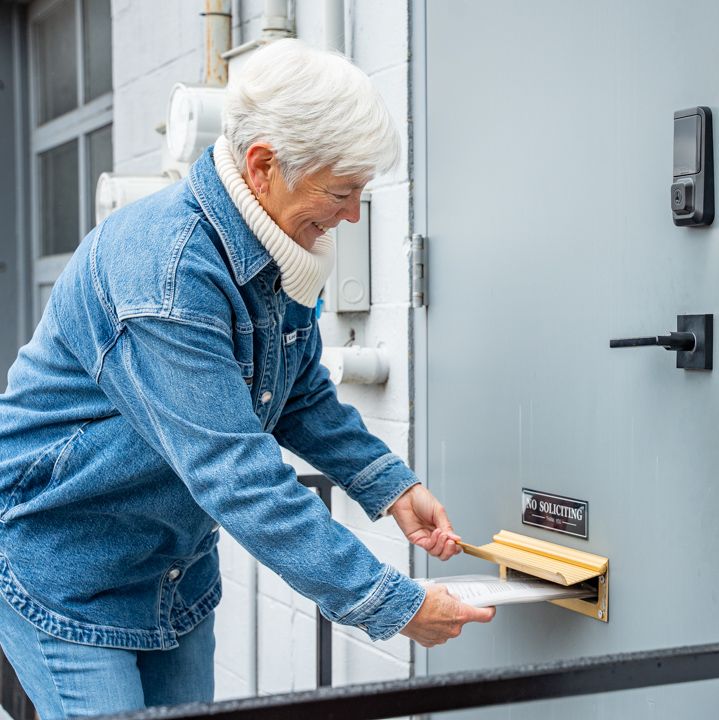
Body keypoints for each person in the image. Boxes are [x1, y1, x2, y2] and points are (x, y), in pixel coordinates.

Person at [0, 39, 493, 719]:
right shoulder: (167, 273)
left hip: (172, 570)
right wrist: (389, 603)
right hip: (66, 569)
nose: (353, 215)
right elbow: (235, 470)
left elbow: (297, 390)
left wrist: (388, 483)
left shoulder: (271, 246)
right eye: (342, 191)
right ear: (264, 166)